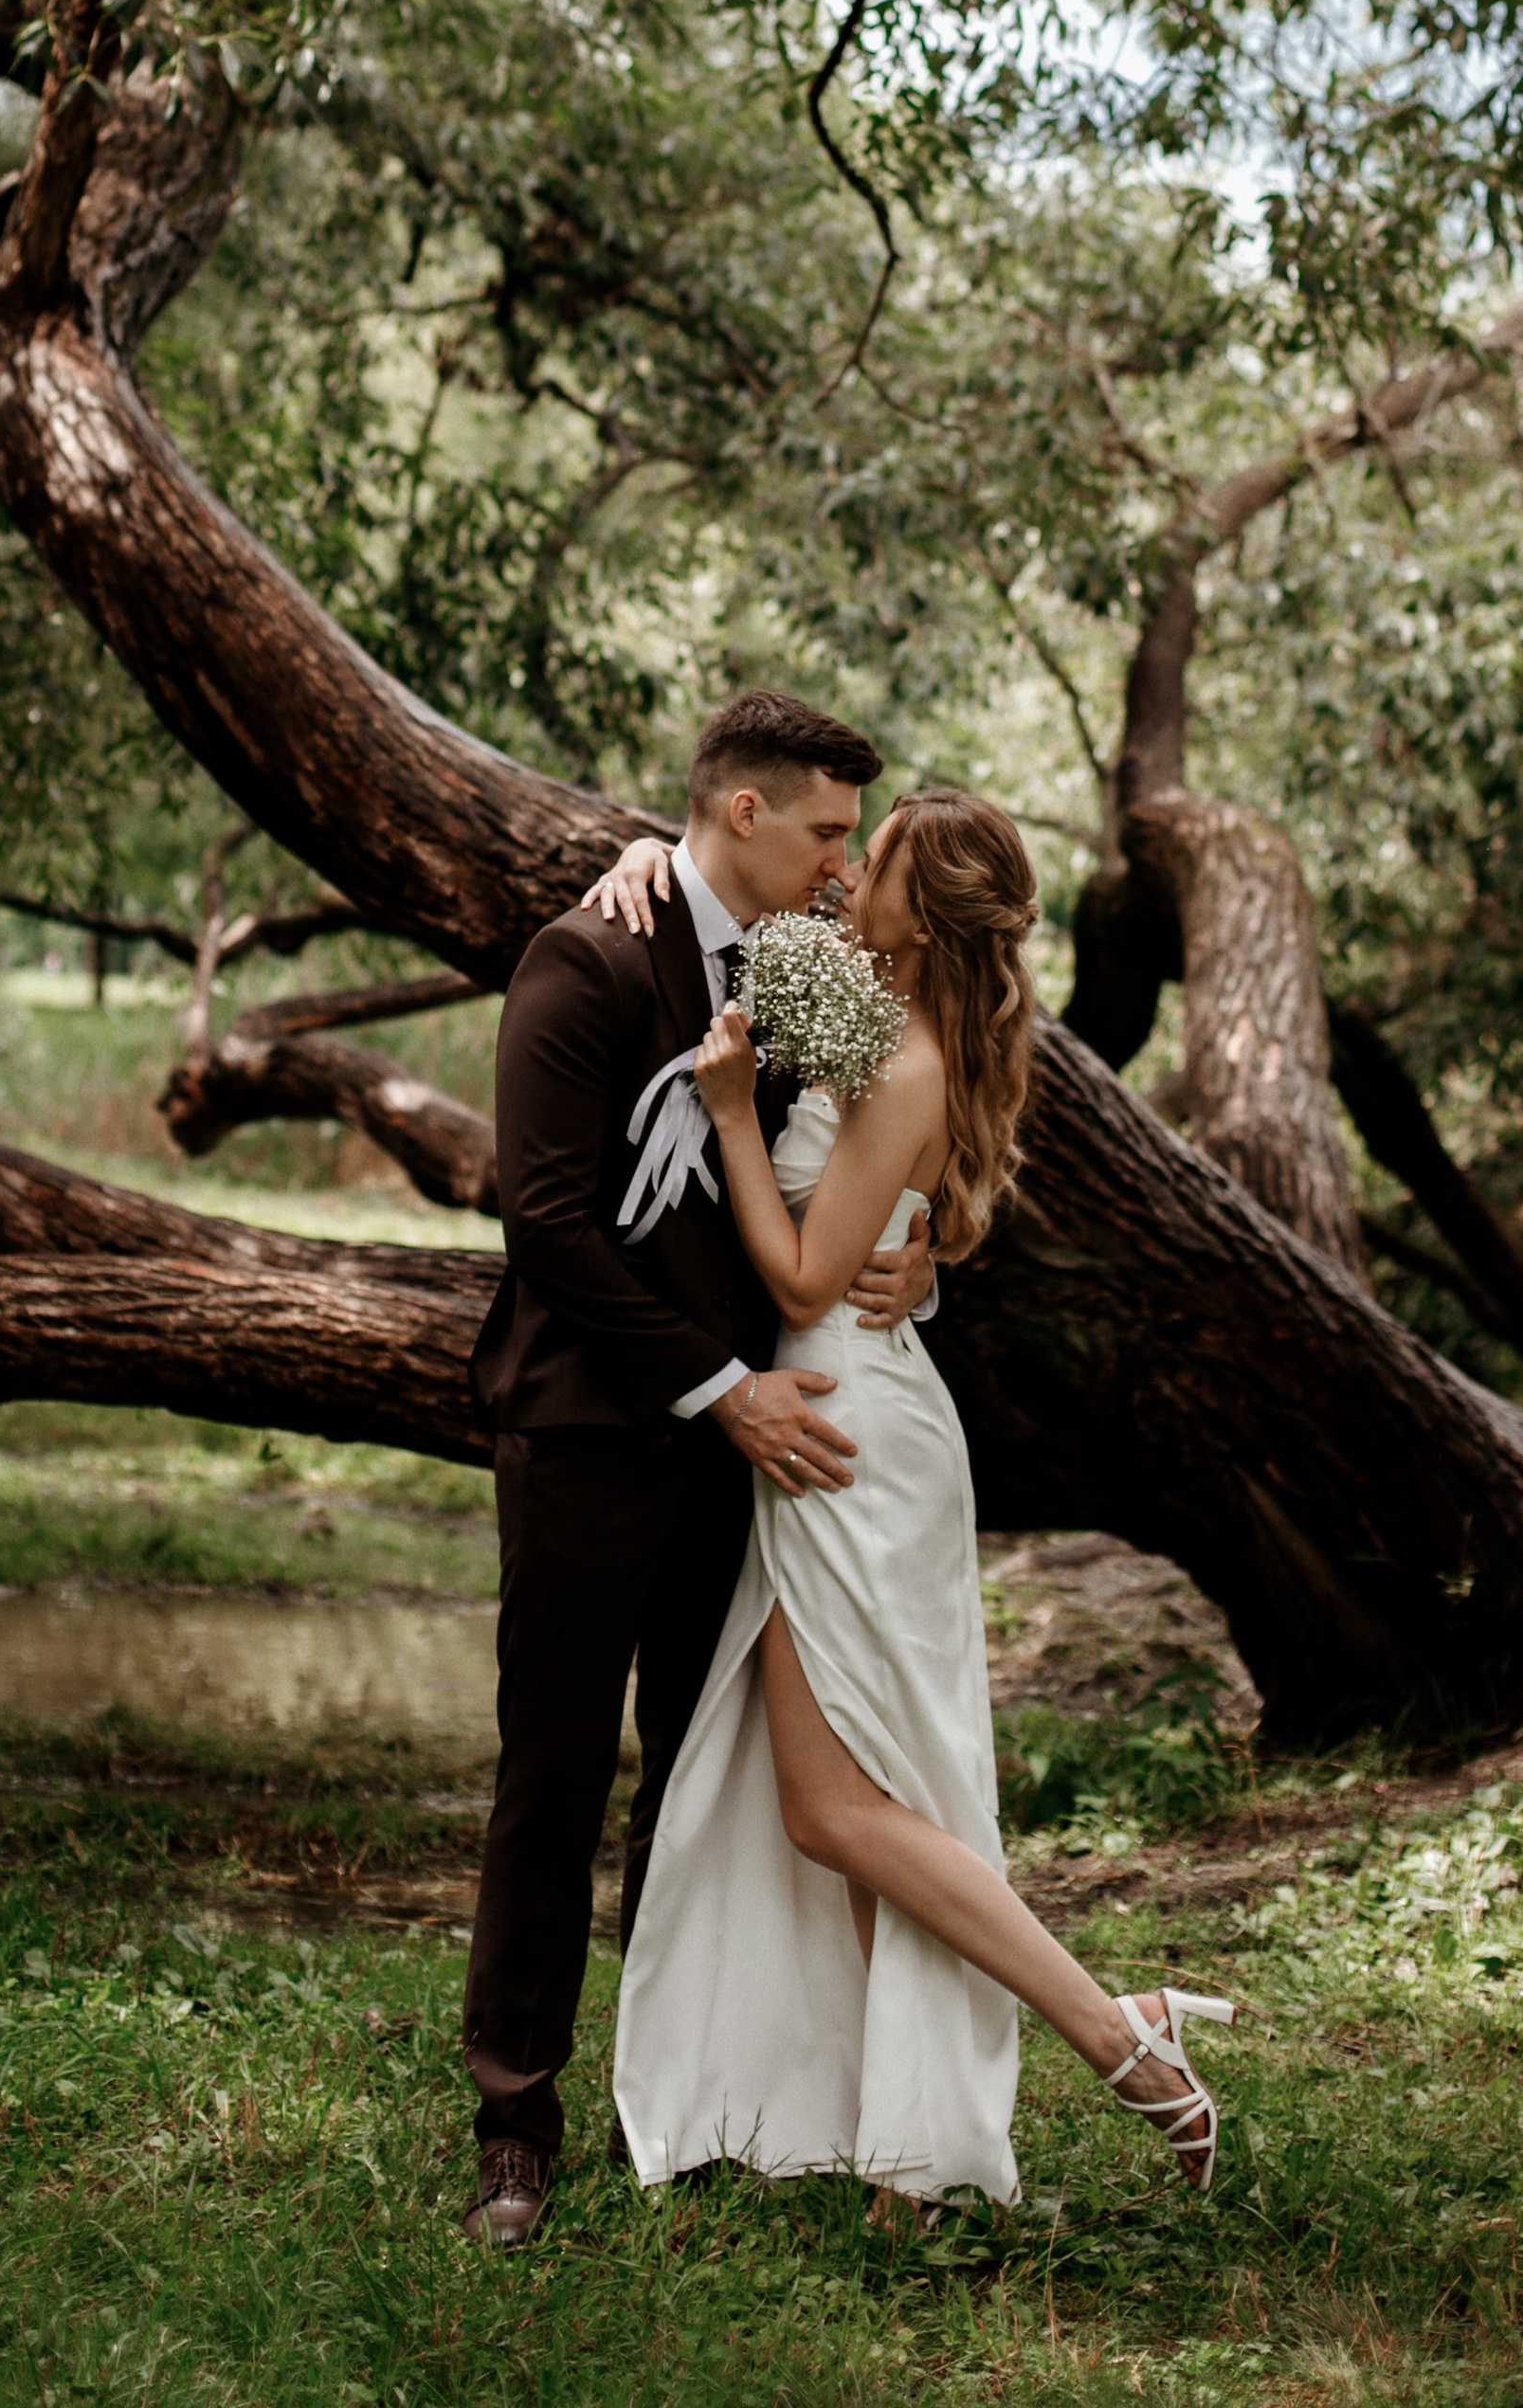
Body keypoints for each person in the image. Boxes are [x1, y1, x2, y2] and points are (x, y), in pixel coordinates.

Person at [596, 788, 1237, 2216]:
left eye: (868, 855)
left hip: (846, 1432)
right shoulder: (863, 1005)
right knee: (869, 1801)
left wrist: (728, 1119)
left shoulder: (904, 1059)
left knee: (840, 1809)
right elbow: (716, 884)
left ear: (917, 904)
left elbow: (808, 1280)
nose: (845, 865)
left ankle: (1118, 2039)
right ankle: (913, 2160)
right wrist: (647, 850)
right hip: (851, 1410)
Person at [458, 689, 939, 2248]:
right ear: (742, 814)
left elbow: (898, 1151)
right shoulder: (586, 954)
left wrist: (926, 1257)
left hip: (757, 1444)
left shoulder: (813, 974)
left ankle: (659, 2093)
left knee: (698, 1777)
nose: (839, 862)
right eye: (822, 831)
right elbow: (546, 1220)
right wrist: (718, 1388)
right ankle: (513, 2124)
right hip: (596, 1429)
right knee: (553, 1776)